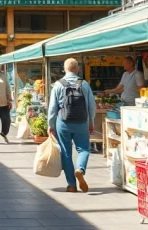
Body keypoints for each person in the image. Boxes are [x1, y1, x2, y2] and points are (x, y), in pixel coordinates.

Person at [47, 57, 96, 193]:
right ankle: (80, 169)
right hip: (81, 122)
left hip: (63, 123)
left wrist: (50, 125)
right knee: (84, 149)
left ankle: (71, 185)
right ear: (77, 69)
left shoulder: (58, 84)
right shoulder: (84, 84)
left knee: (66, 153)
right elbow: (92, 106)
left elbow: (52, 108)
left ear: (65, 69)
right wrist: (91, 122)